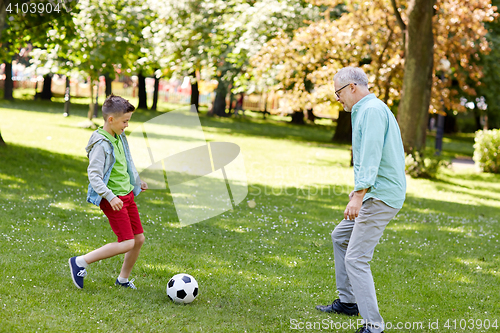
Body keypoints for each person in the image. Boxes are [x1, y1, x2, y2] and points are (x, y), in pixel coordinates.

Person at [316, 67, 406, 333]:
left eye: (339, 92)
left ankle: (373, 325)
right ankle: (348, 303)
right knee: (340, 237)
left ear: (353, 87)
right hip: (375, 193)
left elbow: (371, 155)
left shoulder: (372, 111)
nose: (338, 98)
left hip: (381, 196)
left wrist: (359, 195)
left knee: (356, 258)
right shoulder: (365, 110)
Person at [69, 94, 148, 290]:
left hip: (126, 196)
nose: (127, 125)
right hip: (113, 199)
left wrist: (137, 182)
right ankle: (80, 262)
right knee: (127, 242)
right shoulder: (101, 144)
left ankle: (122, 279)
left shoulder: (119, 136)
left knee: (138, 239)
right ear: (111, 119)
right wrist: (110, 197)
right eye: (125, 121)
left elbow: (126, 163)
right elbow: (94, 176)